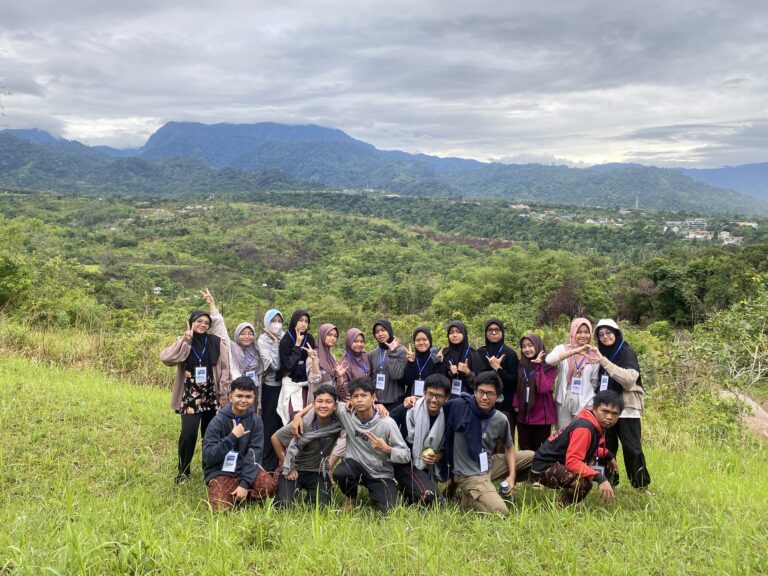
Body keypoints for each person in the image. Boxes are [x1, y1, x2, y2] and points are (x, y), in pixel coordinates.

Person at [295, 377, 410, 514]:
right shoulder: (346, 412)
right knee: (341, 473)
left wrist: (387, 449)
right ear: (350, 399)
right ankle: (351, 497)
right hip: (355, 465)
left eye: (364, 396)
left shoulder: (386, 423)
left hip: (379, 473)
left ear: (373, 397)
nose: (359, 400)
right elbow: (322, 403)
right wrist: (298, 416)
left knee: (389, 511)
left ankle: (390, 489)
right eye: (355, 396)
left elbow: (406, 455)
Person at [442, 371, 535, 515]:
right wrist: (411, 402)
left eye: (490, 393)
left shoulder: (500, 419)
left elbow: (509, 446)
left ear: (497, 397)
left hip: (488, 465)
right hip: (468, 474)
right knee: (501, 512)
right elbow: (435, 406)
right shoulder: (458, 407)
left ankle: (484, 490)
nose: (484, 397)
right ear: (475, 392)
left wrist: (512, 476)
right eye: (481, 392)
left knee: (532, 457)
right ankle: (468, 498)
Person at [161, 302, 230, 484]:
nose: (203, 325)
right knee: (188, 433)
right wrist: (186, 341)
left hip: (210, 394)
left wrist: (224, 393)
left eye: (206, 322)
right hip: (190, 395)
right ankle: (183, 471)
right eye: (199, 321)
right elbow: (167, 358)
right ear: (191, 322)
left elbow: (224, 368)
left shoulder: (216, 342)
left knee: (210, 434)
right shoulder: (185, 340)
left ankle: (210, 471)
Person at [531, 390, 621, 506]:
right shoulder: (585, 427)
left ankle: (568, 499)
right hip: (544, 468)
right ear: (594, 408)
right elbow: (572, 462)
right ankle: (562, 506)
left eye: (615, 414)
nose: (609, 417)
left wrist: (609, 455)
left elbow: (586, 448)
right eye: (605, 411)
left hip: (555, 463)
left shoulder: (592, 422)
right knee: (583, 482)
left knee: (586, 473)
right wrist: (600, 478)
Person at [593, 319, 652, 493]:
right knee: (606, 447)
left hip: (627, 408)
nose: (605, 337)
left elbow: (629, 379)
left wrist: (604, 361)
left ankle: (641, 485)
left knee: (632, 447)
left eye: (608, 333)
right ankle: (609, 483)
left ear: (616, 333)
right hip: (606, 408)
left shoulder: (627, 352)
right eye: (601, 334)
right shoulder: (601, 353)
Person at [202, 376, 272, 511]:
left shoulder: (255, 421)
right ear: (230, 397)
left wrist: (245, 483)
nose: (243, 400)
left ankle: (243, 494)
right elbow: (209, 457)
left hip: (245, 470)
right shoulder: (217, 421)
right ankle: (233, 496)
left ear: (253, 398)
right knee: (220, 508)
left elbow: (254, 454)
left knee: (270, 486)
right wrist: (232, 437)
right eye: (239, 396)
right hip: (221, 471)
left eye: (248, 397)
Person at [272, 384, 343, 507]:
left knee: (322, 507)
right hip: (295, 469)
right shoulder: (302, 423)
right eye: (319, 401)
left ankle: (311, 496)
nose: (323, 405)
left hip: (318, 470)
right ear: (313, 404)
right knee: (284, 505)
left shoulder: (338, 422)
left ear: (335, 405)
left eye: (328, 402)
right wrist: (287, 464)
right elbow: (275, 438)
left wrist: (379, 406)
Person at [389, 373, 450, 506]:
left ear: (446, 398)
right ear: (424, 392)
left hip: (427, 468)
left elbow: (446, 447)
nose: (434, 400)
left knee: (431, 499)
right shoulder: (410, 408)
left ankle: (406, 491)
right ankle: (403, 486)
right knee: (434, 501)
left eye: (439, 396)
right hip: (405, 463)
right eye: (430, 394)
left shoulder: (447, 416)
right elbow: (388, 420)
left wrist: (437, 457)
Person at [546, 318, 601, 430]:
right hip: (563, 399)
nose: (583, 335)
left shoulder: (594, 354)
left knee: (581, 434)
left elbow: (594, 381)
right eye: (579, 332)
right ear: (573, 332)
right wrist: (575, 351)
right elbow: (549, 360)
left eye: (586, 332)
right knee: (563, 434)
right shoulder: (562, 349)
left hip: (585, 400)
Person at [513, 333, 557, 451]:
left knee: (540, 451)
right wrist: (516, 402)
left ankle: (538, 470)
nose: (527, 349)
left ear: (538, 345)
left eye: (530, 345)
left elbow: (544, 388)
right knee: (524, 449)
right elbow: (517, 385)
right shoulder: (521, 364)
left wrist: (537, 367)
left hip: (541, 417)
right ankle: (524, 470)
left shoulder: (549, 365)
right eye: (524, 346)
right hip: (523, 414)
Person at [276, 309, 316, 424]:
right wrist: (297, 345)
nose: (303, 324)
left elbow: (312, 362)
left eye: (306, 321)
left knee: (307, 418)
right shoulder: (286, 340)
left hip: (306, 384)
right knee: (292, 417)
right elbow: (288, 366)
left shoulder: (309, 338)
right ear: (294, 321)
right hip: (291, 384)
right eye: (300, 320)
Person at [257, 308, 284, 471]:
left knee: (282, 424)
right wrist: (275, 344)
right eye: (273, 321)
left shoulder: (285, 336)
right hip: (270, 388)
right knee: (269, 425)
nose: (277, 324)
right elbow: (275, 365)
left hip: (285, 387)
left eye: (279, 321)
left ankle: (280, 462)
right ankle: (267, 464)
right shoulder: (262, 340)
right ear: (267, 322)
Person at [477, 318, 519, 418]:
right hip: (483, 402)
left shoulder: (510, 354)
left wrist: (498, 369)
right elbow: (476, 377)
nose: (494, 332)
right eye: (490, 330)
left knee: (503, 432)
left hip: (504, 404)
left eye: (497, 329)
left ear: (502, 332)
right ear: (486, 333)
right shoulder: (480, 352)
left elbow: (514, 381)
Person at [368, 319, 408, 410]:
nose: (380, 334)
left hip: (395, 400)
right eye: (377, 332)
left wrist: (393, 351)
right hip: (376, 402)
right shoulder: (372, 354)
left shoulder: (401, 351)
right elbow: (371, 377)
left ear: (389, 330)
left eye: (383, 330)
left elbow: (397, 375)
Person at [440, 320, 483, 396]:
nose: (454, 335)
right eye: (451, 332)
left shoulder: (473, 354)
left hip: (468, 399)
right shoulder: (444, 353)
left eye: (458, 332)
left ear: (464, 333)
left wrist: (468, 372)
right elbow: (437, 379)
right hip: (447, 398)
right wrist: (449, 373)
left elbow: (481, 384)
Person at [307, 323, 348, 401]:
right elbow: (314, 380)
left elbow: (334, 381)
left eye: (335, 336)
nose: (333, 338)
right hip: (318, 403)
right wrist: (313, 360)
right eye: (329, 335)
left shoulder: (331, 356)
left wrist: (340, 376)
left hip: (331, 401)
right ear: (322, 335)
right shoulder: (313, 355)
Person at [402, 326, 441, 398]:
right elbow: (407, 382)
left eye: (424, 339)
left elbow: (440, 381)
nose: (421, 342)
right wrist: (410, 363)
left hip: (430, 400)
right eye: (417, 340)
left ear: (430, 340)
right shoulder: (412, 357)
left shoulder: (435, 357)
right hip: (412, 400)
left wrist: (439, 363)